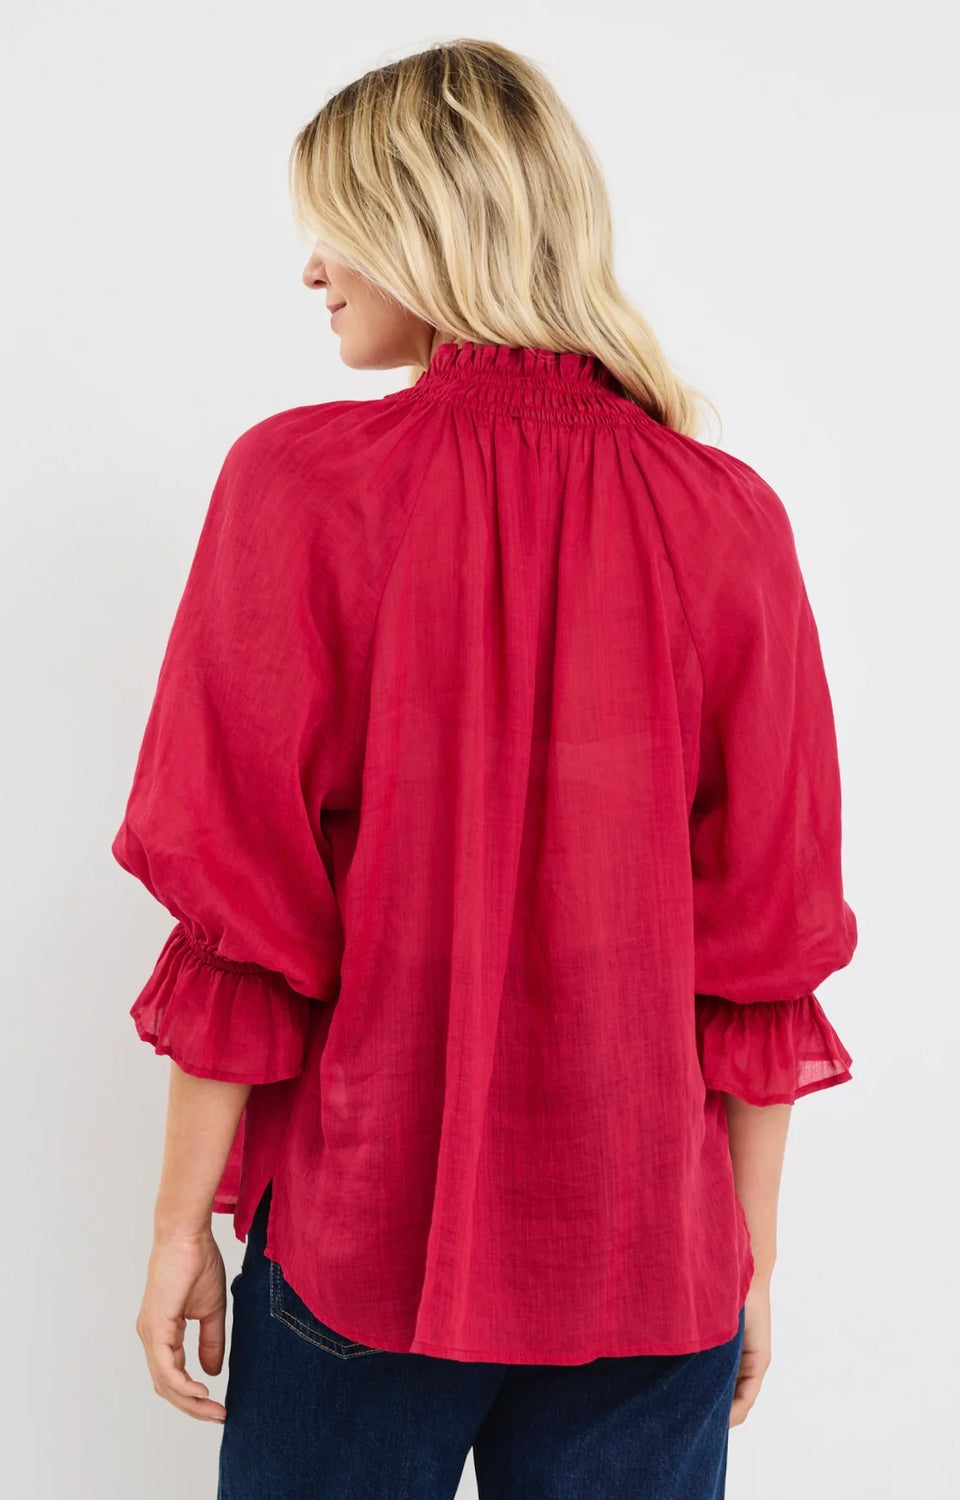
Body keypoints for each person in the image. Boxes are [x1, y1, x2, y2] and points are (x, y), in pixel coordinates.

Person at [112, 37, 858, 1500]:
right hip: (655, 1266)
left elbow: (242, 907)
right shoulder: (727, 519)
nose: (312, 270)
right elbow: (764, 940)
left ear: (427, 230)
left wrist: (174, 1232)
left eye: (337, 224)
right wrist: (746, 1257)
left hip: (363, 1244)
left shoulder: (303, 489)